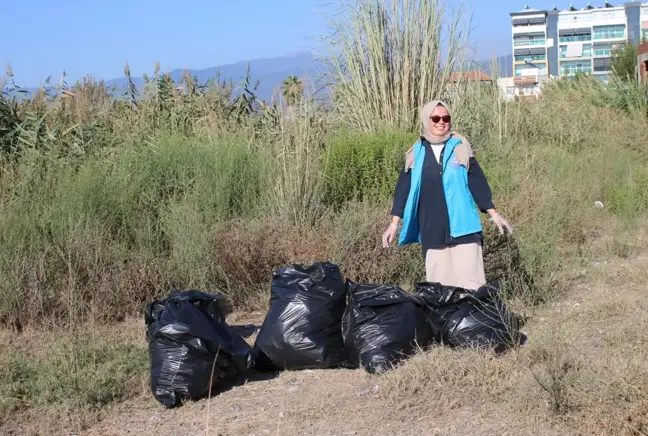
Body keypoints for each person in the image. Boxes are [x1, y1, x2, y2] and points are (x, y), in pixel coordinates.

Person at [381, 100, 512, 290]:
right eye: (436, 118)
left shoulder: (461, 146)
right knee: (441, 290)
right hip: (432, 229)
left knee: (472, 286)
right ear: (427, 120)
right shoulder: (415, 153)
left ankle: (478, 320)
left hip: (464, 227)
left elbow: (477, 183)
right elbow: (403, 190)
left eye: (446, 118)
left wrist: (495, 214)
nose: (441, 122)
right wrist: (393, 225)